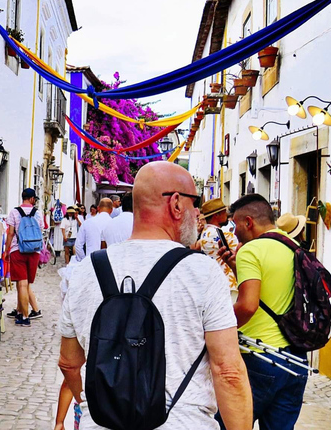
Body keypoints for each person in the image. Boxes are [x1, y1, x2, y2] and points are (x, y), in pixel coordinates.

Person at [59, 162, 251, 429]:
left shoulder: (84, 272)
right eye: (195, 202)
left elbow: (68, 363)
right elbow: (228, 372)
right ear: (175, 203)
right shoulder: (202, 272)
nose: (197, 212)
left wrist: (91, 402)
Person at [216, 194, 307, 430]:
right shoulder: (294, 246)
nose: (233, 231)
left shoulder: (251, 250)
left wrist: (218, 328)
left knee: (227, 424)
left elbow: (248, 305)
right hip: (295, 360)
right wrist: (238, 270)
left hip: (260, 357)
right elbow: (270, 294)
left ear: (248, 222)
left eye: (234, 224)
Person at [3, 188, 44, 327]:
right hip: (34, 251)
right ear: (32, 199)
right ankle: (22, 312)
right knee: (27, 284)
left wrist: (7, 249)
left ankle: (24, 316)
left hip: (18, 249)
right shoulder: (38, 213)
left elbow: (10, 233)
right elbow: (41, 229)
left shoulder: (14, 212)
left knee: (21, 283)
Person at [197, 199, 239, 293]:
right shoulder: (224, 235)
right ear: (217, 215)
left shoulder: (205, 233)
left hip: (216, 283)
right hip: (229, 284)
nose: (227, 215)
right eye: (224, 212)